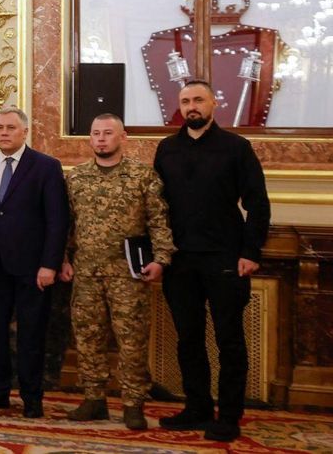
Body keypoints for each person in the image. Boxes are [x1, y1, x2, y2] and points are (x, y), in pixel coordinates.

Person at [154, 79, 270, 443]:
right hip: (180, 262)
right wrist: (158, 254)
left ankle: (229, 416)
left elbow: (258, 204)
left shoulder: (236, 147)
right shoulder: (167, 149)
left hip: (225, 259)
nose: (192, 106)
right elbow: (156, 207)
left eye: (198, 100)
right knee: (188, 339)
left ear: (213, 103)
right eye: (186, 101)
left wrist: (250, 252)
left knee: (229, 340)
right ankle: (197, 407)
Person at [61, 113, 174, 431]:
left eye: (108, 133)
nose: (100, 139)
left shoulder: (142, 176)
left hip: (129, 275)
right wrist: (63, 259)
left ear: (123, 137)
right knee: (88, 338)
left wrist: (161, 259)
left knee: (132, 341)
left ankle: (133, 403)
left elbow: (158, 220)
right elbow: (66, 224)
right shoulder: (77, 177)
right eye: (95, 133)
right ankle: (93, 398)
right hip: (86, 273)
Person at [0, 107, 68, 419]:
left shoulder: (46, 166)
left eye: (10, 128)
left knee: (31, 335)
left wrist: (50, 264)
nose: (4, 133)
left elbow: (57, 220)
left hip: (32, 269)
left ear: (25, 132)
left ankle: (32, 397)